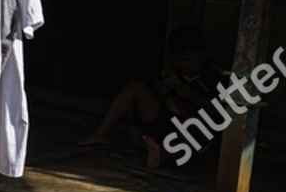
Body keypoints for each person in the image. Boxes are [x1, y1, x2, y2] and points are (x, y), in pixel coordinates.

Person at [77, 26, 226, 169]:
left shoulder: (215, 76)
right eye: (178, 60)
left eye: (188, 60)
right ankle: (100, 134)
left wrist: (192, 95)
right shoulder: (170, 71)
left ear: (203, 54)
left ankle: (160, 157)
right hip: (164, 120)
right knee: (135, 87)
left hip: (194, 128)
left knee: (189, 130)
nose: (183, 65)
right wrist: (161, 92)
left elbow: (222, 112)